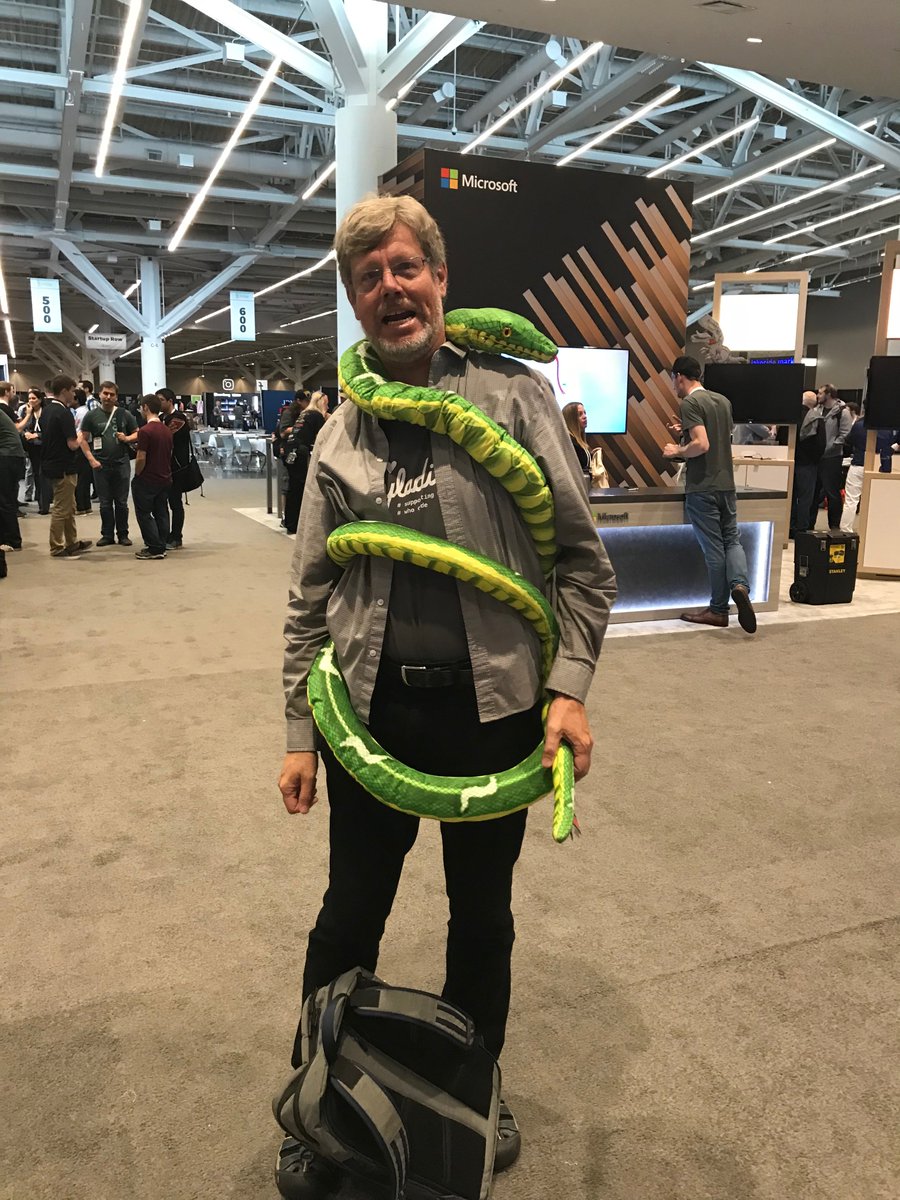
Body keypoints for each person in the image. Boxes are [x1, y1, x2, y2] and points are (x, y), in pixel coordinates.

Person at [276, 194, 616, 1194]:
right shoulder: (339, 432)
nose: (391, 288)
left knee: (481, 917)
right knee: (349, 914)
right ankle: (317, 1098)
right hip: (372, 713)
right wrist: (299, 730)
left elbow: (583, 566)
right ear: (355, 302)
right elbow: (308, 597)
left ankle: (473, 1088)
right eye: (368, 278)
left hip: (493, 711)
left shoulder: (514, 400)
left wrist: (569, 689)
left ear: (440, 279)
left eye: (405, 267)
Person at [663, 355, 756, 632]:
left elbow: (702, 445)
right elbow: (714, 438)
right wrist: (685, 434)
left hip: (703, 487)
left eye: (673, 379)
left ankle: (718, 610)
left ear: (680, 376)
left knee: (714, 550)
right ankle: (740, 585)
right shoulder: (723, 401)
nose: (673, 385)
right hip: (727, 484)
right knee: (732, 540)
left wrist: (677, 449)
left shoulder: (690, 403)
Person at [40, 374, 97, 558]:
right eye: (72, 391)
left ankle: (71, 542)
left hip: (52, 464)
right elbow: (72, 444)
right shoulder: (63, 413)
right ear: (64, 391)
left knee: (68, 506)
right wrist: (82, 436)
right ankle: (57, 546)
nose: (74, 394)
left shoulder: (47, 411)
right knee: (61, 508)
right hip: (63, 466)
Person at [80, 380, 137, 546]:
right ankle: (107, 535)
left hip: (121, 463)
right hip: (100, 465)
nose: (108, 397)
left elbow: (138, 433)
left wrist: (127, 438)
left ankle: (123, 534)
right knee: (105, 503)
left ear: (116, 397)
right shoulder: (91, 416)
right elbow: (83, 439)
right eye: (105, 393)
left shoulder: (124, 414)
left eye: (112, 394)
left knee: (121, 502)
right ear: (100, 394)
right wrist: (91, 459)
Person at [131, 395, 173, 560]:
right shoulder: (166, 430)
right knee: (162, 511)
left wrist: (137, 473)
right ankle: (162, 543)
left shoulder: (145, 431)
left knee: (144, 513)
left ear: (146, 407)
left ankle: (154, 547)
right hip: (165, 477)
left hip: (148, 478)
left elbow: (141, 457)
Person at [811, 383, 852, 530]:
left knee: (832, 492)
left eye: (821, 393)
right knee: (813, 492)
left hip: (832, 457)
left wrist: (832, 446)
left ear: (829, 394)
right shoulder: (817, 410)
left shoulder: (842, 412)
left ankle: (834, 525)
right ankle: (809, 524)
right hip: (816, 457)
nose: (818, 395)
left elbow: (845, 433)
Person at [156, 387, 192, 549]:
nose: (158, 403)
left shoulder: (179, 418)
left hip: (177, 467)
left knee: (175, 503)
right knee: (161, 502)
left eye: (161, 400)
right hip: (163, 467)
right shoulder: (161, 418)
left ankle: (177, 536)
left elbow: (164, 436)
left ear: (170, 401)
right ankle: (164, 534)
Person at [282, 403, 325, 535]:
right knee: (300, 488)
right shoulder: (317, 415)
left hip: (290, 450)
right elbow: (323, 436)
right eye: (326, 404)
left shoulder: (304, 414)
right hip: (300, 453)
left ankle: (289, 522)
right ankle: (296, 524)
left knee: (293, 488)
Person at [790, 390, 826, 539]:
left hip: (790, 462)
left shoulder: (790, 416)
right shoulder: (817, 418)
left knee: (790, 496)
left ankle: (789, 526)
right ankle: (802, 528)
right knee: (806, 498)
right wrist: (814, 460)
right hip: (808, 464)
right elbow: (821, 444)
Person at [21, 389, 53, 514]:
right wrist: (26, 433)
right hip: (32, 448)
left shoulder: (46, 412)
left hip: (45, 446)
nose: (31, 401)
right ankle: (41, 503)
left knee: (44, 475)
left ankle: (44, 504)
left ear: (40, 399)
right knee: (36, 474)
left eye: (34, 398)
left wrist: (37, 435)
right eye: (29, 398)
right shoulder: (26, 412)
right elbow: (22, 427)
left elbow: (50, 430)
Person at [0, 401, 26, 553]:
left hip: (7, 457)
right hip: (12, 456)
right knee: (6, 499)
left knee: (4, 500)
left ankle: (10, 540)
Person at [72, 388, 94, 515]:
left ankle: (80, 505)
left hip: (81, 445)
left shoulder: (80, 413)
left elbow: (79, 431)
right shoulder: (84, 411)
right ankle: (85, 505)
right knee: (84, 477)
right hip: (85, 444)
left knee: (80, 478)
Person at [562, 400, 590, 472]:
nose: (585, 417)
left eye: (584, 413)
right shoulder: (569, 443)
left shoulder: (578, 442)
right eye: (580, 414)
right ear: (571, 419)